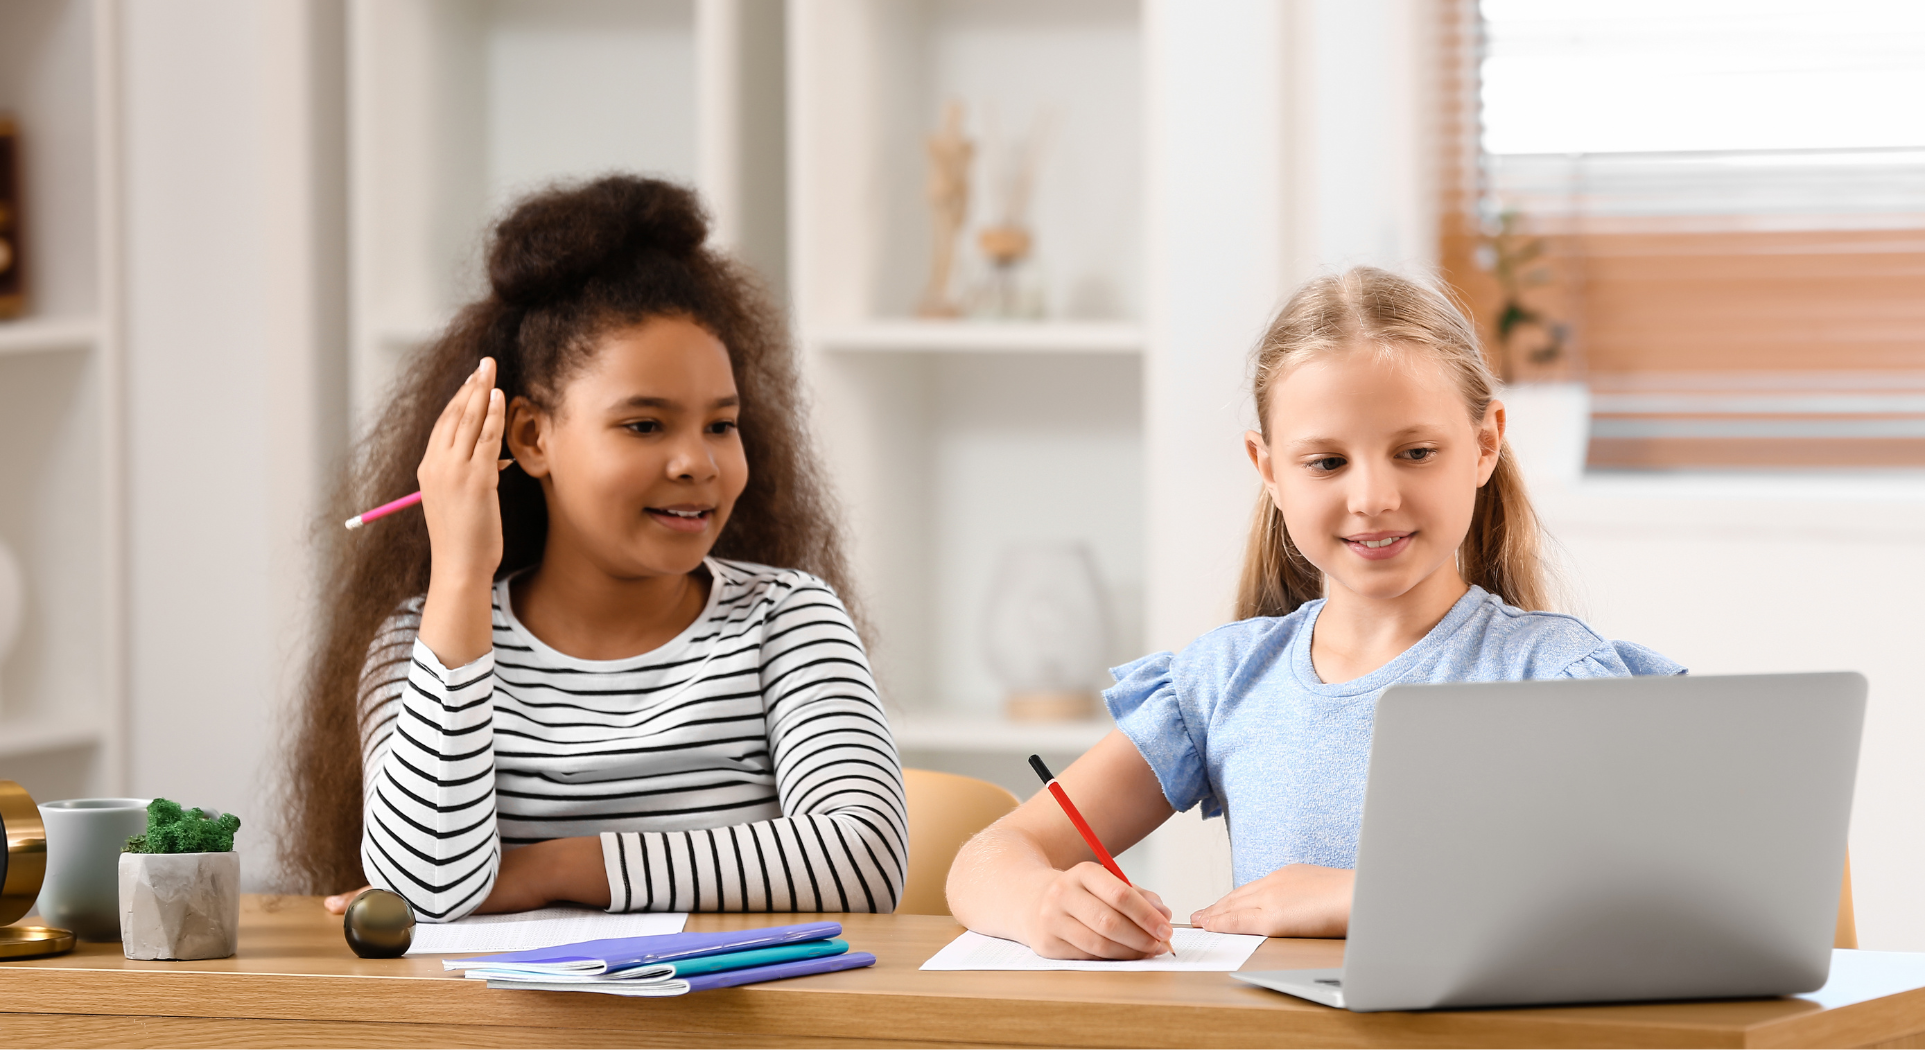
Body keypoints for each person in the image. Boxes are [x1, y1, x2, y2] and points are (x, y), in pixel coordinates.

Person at [946, 266, 1682, 959]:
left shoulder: (1555, 677)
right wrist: (1047, 904)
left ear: (1484, 444)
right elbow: (985, 860)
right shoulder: (1222, 681)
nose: (1372, 497)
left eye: (1415, 452)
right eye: (1326, 463)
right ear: (1267, 469)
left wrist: (1370, 900)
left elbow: (1657, 898)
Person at [282, 176, 906, 920]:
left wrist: (552, 868)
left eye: (720, 425)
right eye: (645, 426)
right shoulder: (418, 642)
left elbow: (862, 860)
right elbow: (422, 891)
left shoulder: (787, 620)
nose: (696, 463)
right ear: (531, 438)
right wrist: (459, 575)